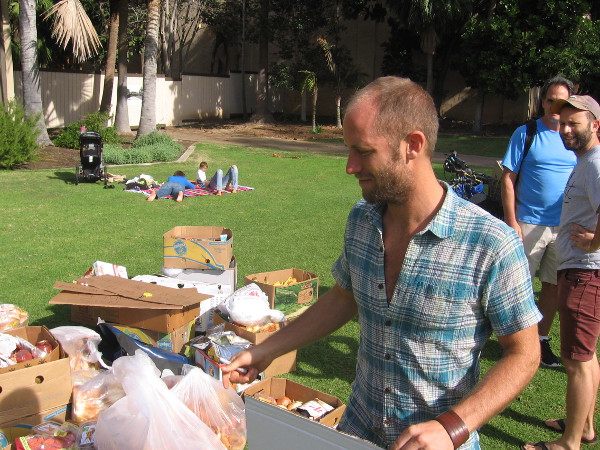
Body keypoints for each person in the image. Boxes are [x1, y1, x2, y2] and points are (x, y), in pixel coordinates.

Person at [223, 77, 542, 450]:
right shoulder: (362, 219)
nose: (349, 166)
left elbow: (525, 353)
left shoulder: (491, 243)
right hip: (358, 427)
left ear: (413, 145)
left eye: (363, 151)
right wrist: (265, 350)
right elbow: (344, 297)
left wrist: (452, 428)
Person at [523, 96, 600, 450]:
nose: (567, 129)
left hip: (585, 273)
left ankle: (570, 443)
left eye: (576, 123)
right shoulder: (585, 162)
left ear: (595, 125)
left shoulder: (596, 163)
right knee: (586, 356)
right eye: (563, 123)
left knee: (575, 360)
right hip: (581, 272)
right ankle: (582, 425)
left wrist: (594, 242)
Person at [501, 76, 577, 368]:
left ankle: (540, 341)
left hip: (565, 227)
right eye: (550, 99)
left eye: (562, 100)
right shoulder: (527, 133)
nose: (555, 106)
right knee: (515, 287)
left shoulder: (574, 136)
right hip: (529, 223)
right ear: (542, 101)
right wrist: (512, 221)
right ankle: (511, 342)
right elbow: (508, 178)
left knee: (553, 286)